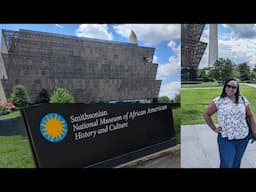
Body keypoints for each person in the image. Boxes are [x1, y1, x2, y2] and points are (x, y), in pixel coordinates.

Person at [203, 79, 256, 168]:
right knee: (227, 164)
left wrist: (254, 132)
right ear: (225, 87)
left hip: (243, 138)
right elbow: (206, 114)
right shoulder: (218, 101)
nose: (231, 89)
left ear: (237, 89)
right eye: (228, 86)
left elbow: (250, 116)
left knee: (236, 163)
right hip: (226, 139)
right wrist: (214, 128)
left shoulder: (242, 99)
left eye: (234, 87)